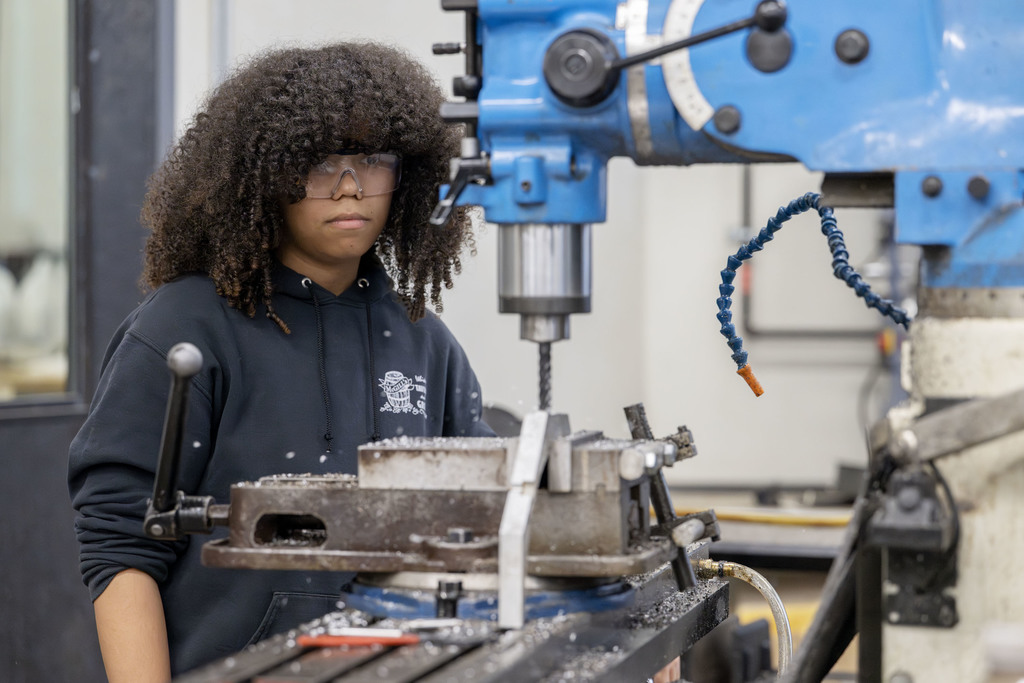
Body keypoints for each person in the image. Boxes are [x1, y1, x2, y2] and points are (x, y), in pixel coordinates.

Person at [68, 42, 493, 682]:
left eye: (373, 159)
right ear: (263, 176)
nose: (350, 186)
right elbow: (120, 544)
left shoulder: (423, 341)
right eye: (317, 162)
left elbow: (486, 519)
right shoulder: (184, 328)